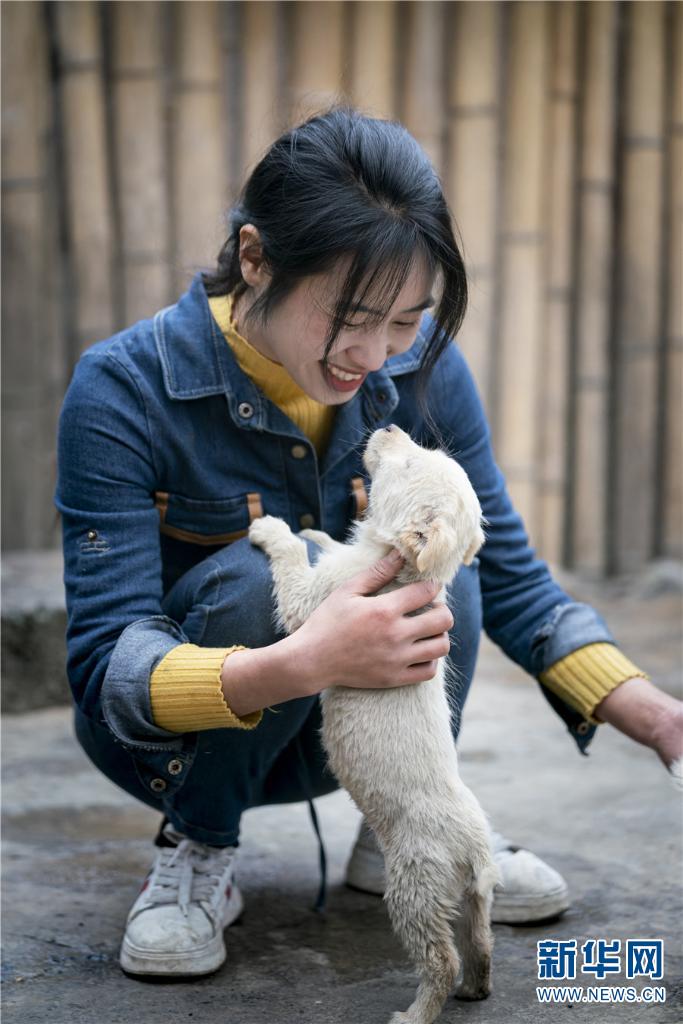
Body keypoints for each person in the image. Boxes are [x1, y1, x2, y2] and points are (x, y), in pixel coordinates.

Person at [55, 106, 682, 979]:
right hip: (182, 752)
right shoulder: (122, 389)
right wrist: (304, 659)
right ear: (254, 258)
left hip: (354, 744)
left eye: (404, 321)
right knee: (273, 570)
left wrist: (659, 720)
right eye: (351, 316)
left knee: (447, 555)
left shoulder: (422, 369)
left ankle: (407, 824)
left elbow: (509, 577)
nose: (374, 353)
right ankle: (197, 846)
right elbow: (104, 669)